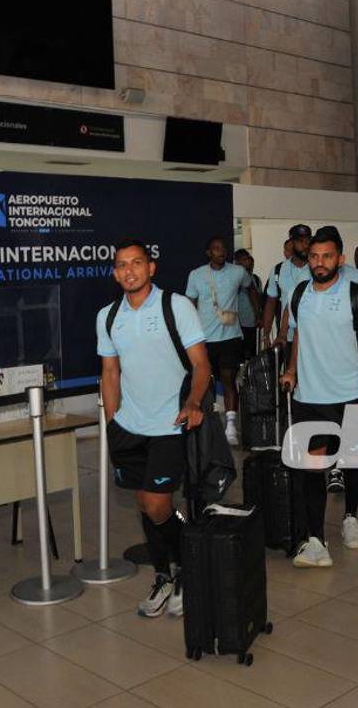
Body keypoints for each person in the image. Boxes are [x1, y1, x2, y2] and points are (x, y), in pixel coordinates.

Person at [97, 239, 211, 617]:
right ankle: (165, 575)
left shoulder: (175, 306)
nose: (129, 271)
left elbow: (201, 364)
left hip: (169, 423)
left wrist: (193, 402)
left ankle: (187, 570)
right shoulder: (108, 316)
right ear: (115, 273)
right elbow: (109, 372)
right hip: (128, 425)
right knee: (144, 504)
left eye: (136, 263)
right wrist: (112, 422)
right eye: (121, 265)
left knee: (159, 503)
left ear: (151, 268)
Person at [279, 226, 358, 566]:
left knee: (351, 461)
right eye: (313, 256)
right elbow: (296, 337)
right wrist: (292, 370)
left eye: (326, 256)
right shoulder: (298, 294)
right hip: (309, 396)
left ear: (339, 258)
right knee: (313, 466)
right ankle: (315, 540)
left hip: (351, 393)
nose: (319, 263)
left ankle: (350, 518)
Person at [186, 236, 256, 444]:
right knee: (205, 383)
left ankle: (231, 427)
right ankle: (209, 425)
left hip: (231, 336)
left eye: (223, 248)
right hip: (204, 340)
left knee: (228, 378)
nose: (221, 251)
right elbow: (190, 303)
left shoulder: (238, 272)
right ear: (209, 253)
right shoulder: (196, 275)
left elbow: (251, 288)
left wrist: (257, 312)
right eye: (216, 249)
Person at [261, 223, 312, 346]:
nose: (305, 245)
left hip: (313, 336)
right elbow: (271, 303)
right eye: (301, 241)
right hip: (287, 336)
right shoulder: (278, 270)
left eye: (308, 241)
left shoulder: (316, 268)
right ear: (292, 243)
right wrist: (266, 334)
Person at [234, 247, 262, 358]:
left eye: (248, 258)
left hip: (252, 323)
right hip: (238, 324)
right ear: (237, 262)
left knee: (252, 354)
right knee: (240, 355)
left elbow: (259, 298)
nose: (247, 261)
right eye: (243, 259)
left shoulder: (255, 278)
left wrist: (259, 316)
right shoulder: (234, 279)